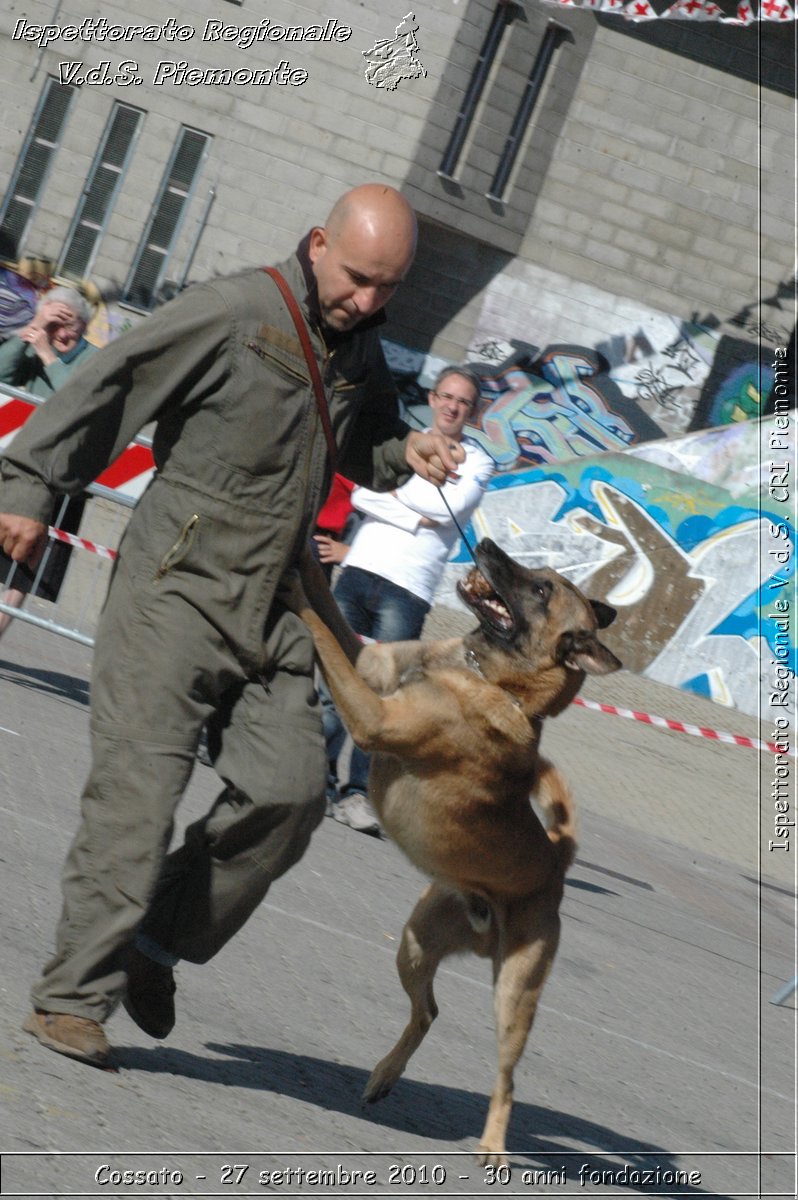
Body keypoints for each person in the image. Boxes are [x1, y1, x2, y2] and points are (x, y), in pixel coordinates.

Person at [0, 183, 464, 1069]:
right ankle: (71, 999)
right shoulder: (233, 310)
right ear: (320, 242)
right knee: (139, 798)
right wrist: (28, 486)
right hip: (178, 583)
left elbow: (359, 439)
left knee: (292, 792)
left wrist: (406, 449)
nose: (367, 301)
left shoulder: (359, 346)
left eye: (386, 289)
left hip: (279, 602)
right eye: (358, 278)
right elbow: (111, 386)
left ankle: (156, 944)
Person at [316, 365, 494, 835]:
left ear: (473, 412)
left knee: (384, 698)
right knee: (335, 683)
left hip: (408, 589)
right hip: (357, 573)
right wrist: (410, 512)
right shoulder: (403, 441)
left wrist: (395, 498)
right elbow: (358, 492)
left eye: (463, 402)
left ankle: (359, 794)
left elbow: (444, 510)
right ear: (434, 399)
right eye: (447, 397)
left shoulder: (478, 463)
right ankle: (319, 780)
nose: (453, 406)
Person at [0, 287, 97, 639]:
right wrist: (33, 328)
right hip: (12, 471)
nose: (61, 334)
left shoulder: (94, 359)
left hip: (60, 482)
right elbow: (2, 375)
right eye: (54, 325)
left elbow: (78, 402)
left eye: (68, 325)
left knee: (26, 567)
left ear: (84, 326)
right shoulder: (32, 344)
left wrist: (48, 356)